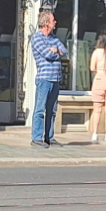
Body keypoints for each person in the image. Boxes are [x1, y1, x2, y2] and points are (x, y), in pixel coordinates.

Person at [29, 10, 67, 147]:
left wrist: (55, 50)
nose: (55, 22)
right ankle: (36, 138)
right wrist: (55, 52)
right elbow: (47, 55)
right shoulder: (37, 38)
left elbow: (64, 51)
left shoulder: (54, 38)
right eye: (52, 20)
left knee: (52, 110)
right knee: (40, 109)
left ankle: (49, 137)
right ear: (46, 23)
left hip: (55, 79)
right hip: (44, 79)